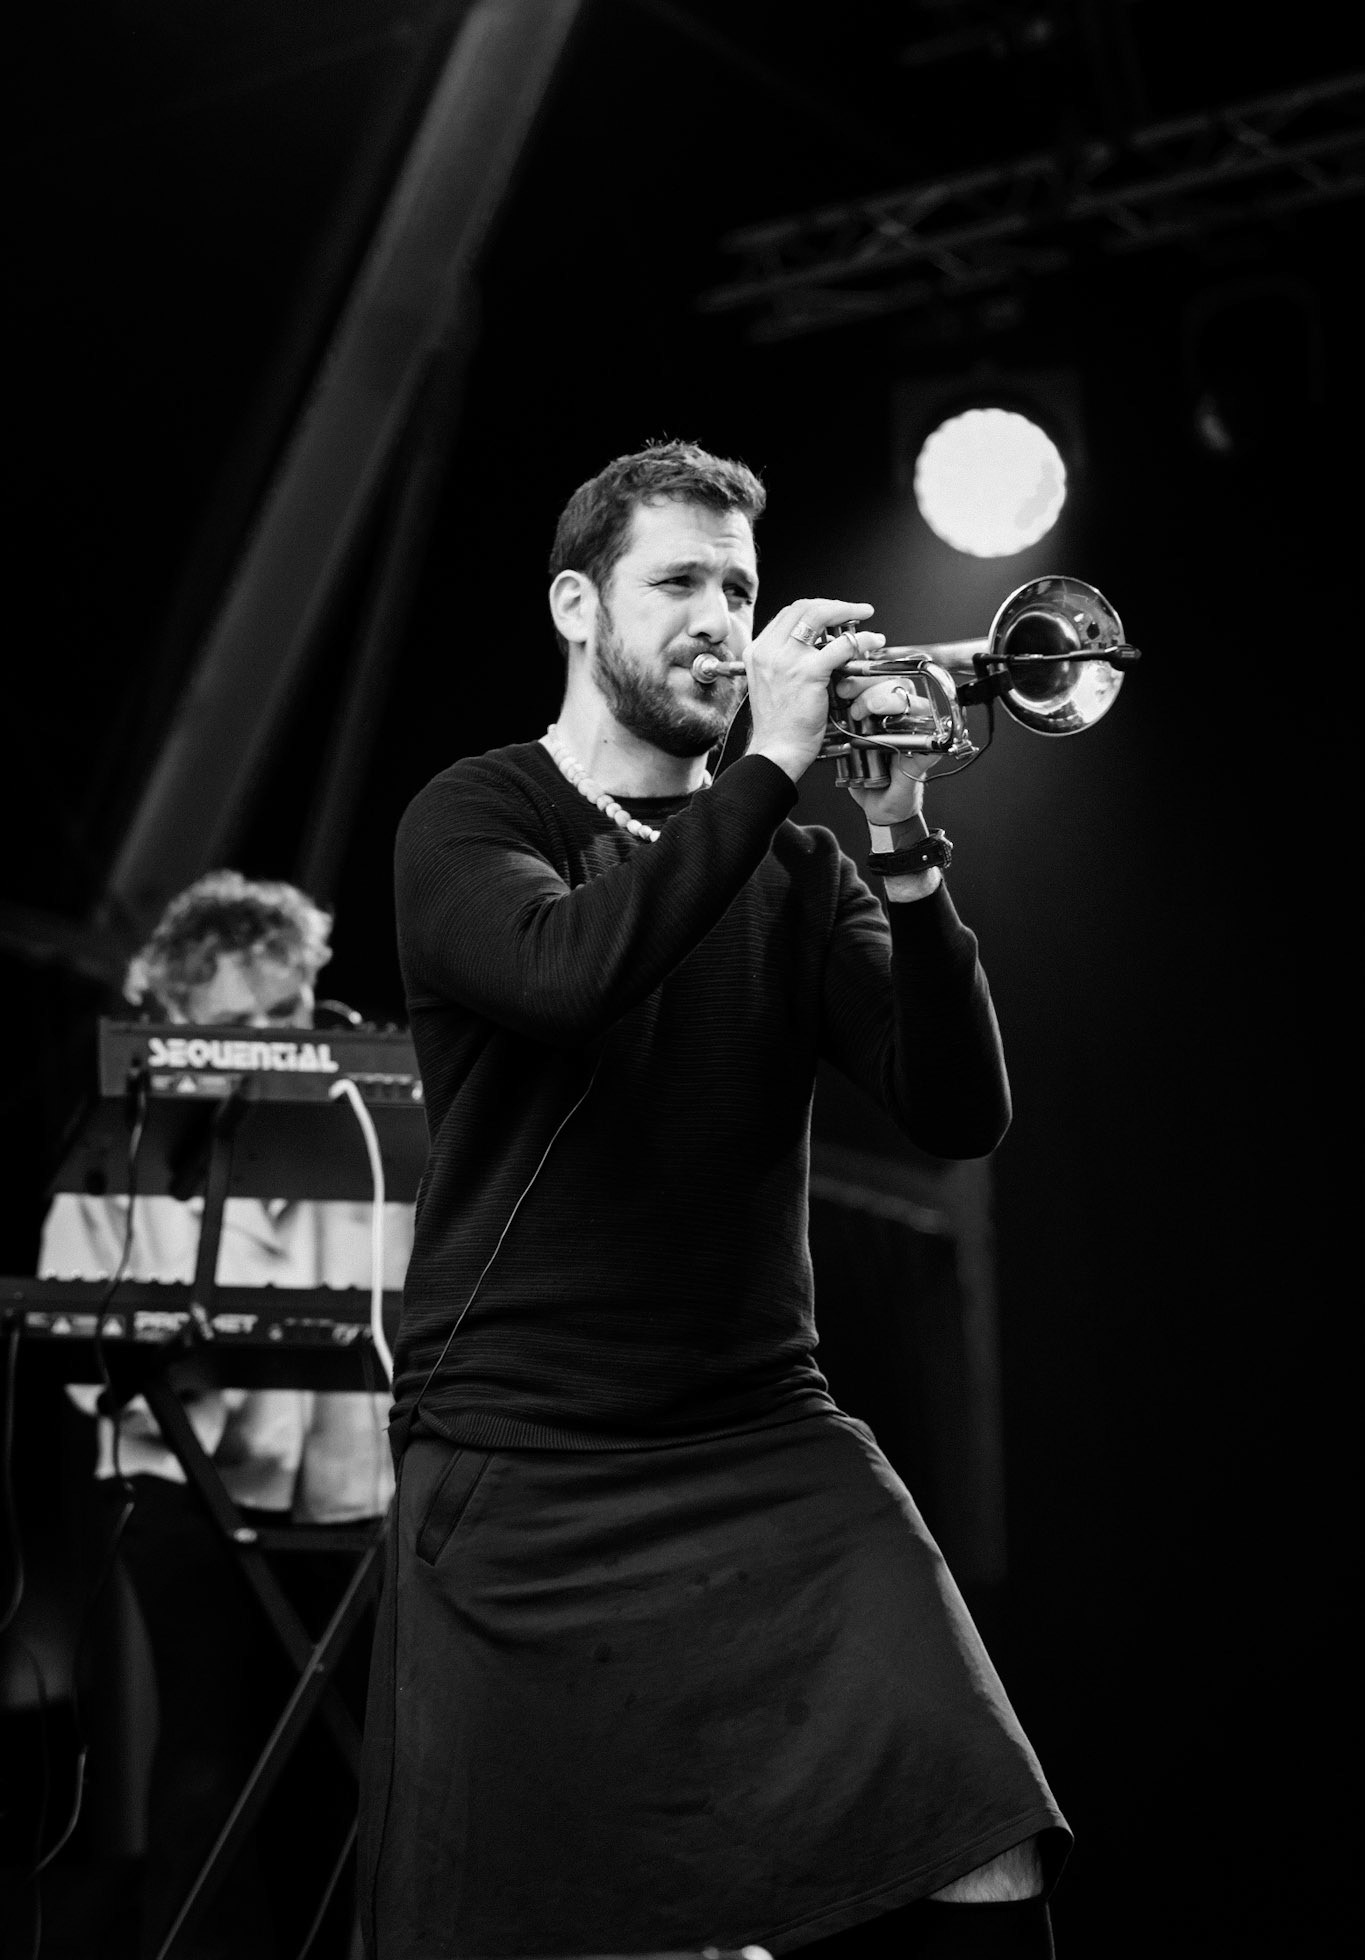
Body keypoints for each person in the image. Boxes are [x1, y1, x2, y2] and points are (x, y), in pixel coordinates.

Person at [360, 442, 1069, 1960]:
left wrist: (905, 844)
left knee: (982, 1837)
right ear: (574, 604)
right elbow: (574, 973)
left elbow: (961, 1114)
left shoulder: (800, 867)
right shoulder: (470, 817)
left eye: (738, 590)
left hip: (757, 1434)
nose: (716, 616)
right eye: (678, 579)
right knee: (524, 1924)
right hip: (521, 1456)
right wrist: (767, 766)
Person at [40, 871, 412, 1960]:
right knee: (207, 1751)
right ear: (173, 1018)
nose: (269, 1042)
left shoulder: (389, 1112)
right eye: (236, 1026)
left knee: (342, 1770)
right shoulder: (125, 1129)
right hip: (186, 1485)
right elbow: (75, 1315)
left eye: (287, 1015)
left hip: (356, 1491)